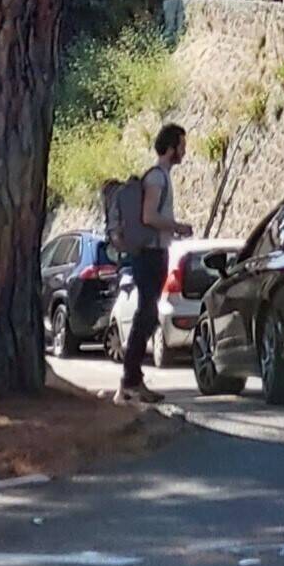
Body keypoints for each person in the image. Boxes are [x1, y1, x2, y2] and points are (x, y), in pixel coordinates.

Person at [116, 122, 189, 399]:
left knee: (147, 315)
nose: (184, 151)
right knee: (145, 315)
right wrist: (177, 226)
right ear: (171, 148)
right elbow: (149, 217)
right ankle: (130, 382)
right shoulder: (157, 178)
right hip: (149, 254)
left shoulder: (161, 176)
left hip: (153, 252)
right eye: (181, 146)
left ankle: (133, 380)